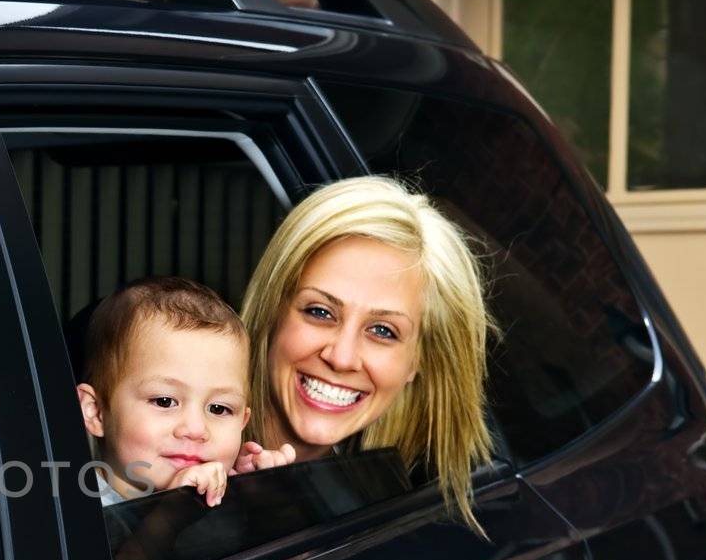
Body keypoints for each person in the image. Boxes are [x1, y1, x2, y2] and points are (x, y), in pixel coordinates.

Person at [239, 175, 494, 531]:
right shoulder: (167, 452)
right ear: (273, 310)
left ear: (417, 361)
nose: (341, 358)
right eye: (320, 312)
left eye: (382, 331)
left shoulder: (386, 506)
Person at [75, 277, 293, 509]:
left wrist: (257, 499)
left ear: (243, 421)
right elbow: (128, 547)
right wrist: (170, 515)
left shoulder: (220, 494)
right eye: (165, 401)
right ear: (96, 412)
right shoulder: (73, 510)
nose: (196, 430)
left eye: (219, 409)